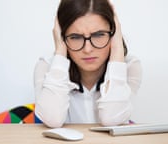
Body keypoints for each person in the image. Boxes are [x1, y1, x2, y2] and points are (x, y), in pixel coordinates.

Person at [34, 0, 142, 128]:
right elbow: (52, 120)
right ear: (62, 37)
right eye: (75, 37)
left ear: (113, 33)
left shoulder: (129, 66)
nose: (87, 49)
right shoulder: (47, 66)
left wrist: (117, 47)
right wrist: (60, 52)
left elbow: (112, 119)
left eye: (99, 35)